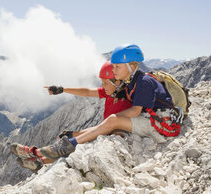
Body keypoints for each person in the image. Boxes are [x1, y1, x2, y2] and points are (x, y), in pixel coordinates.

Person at [12, 44, 182, 173]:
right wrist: (62, 89)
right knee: (78, 133)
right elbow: (87, 91)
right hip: (151, 121)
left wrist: (112, 122)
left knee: (91, 133)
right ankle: (39, 157)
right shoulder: (129, 86)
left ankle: (41, 153)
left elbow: (135, 112)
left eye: (117, 67)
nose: (114, 71)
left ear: (131, 66)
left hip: (161, 124)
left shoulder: (142, 83)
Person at [11, 61, 132, 173]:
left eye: (105, 83)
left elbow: (111, 127)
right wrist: (62, 89)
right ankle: (39, 161)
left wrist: (75, 134)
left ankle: (34, 153)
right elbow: (87, 92)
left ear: (117, 82)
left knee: (76, 144)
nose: (103, 86)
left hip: (113, 136)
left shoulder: (127, 98)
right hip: (103, 131)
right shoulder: (110, 93)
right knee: (74, 142)